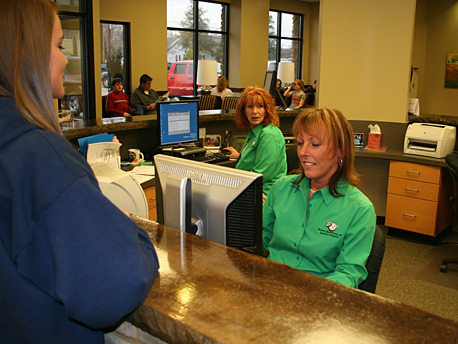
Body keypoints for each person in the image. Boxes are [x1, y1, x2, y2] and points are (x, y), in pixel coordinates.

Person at [0, 1, 159, 343]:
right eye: (58, 46)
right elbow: (114, 287)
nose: (66, 58)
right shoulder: (41, 156)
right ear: (25, 54)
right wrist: (131, 231)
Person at [263, 108, 376, 288]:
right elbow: (260, 241)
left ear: (340, 151)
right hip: (269, 283)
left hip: (316, 296)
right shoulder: (281, 188)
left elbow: (348, 273)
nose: (303, 152)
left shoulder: (359, 209)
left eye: (315, 144)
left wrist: (308, 293)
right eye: (300, 143)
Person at [224, 86, 287, 200]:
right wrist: (241, 156)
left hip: (263, 195)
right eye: (250, 106)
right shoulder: (257, 130)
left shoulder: (268, 135)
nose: (254, 112)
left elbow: (261, 175)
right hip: (252, 189)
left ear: (267, 109)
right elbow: (260, 158)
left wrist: (231, 185)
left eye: (260, 106)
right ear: (243, 110)